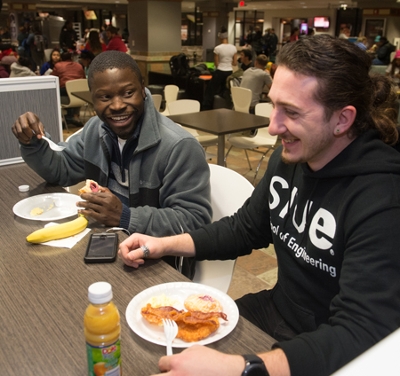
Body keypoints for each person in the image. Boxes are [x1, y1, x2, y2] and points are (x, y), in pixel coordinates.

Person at [118, 35, 400, 376]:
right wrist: (163, 244)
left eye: (291, 112)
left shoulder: (383, 198)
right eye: (273, 105)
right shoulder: (292, 157)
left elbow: (360, 332)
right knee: (157, 351)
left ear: (342, 119)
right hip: (276, 312)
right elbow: (243, 229)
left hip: (329, 349)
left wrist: (240, 368)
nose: (273, 126)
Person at [12, 50, 212, 279]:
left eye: (128, 93)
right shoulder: (95, 131)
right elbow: (61, 170)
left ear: (143, 89)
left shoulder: (179, 147)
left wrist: (125, 217)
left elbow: (195, 221)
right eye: (105, 97)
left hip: (158, 267)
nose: (117, 106)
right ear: (92, 98)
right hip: (107, 248)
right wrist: (32, 143)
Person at [202, 26, 237, 110]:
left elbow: (216, 63)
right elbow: (235, 63)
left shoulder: (217, 48)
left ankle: (206, 107)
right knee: (226, 90)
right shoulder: (233, 48)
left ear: (220, 38)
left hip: (220, 71)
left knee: (210, 90)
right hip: (229, 71)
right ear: (227, 37)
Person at [51, 51, 86, 126]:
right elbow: (84, 78)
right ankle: (75, 116)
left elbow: (52, 78)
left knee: (52, 93)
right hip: (81, 96)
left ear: (61, 58)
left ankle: (61, 118)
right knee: (75, 90)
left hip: (65, 93)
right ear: (71, 58)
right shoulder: (79, 66)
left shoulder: (58, 65)